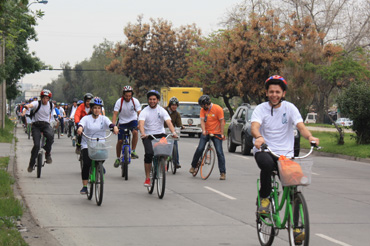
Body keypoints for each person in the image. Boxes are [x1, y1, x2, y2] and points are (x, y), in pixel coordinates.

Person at [251, 75, 320, 217]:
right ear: (266, 93)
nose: (274, 95)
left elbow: (301, 127)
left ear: (283, 94)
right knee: (267, 165)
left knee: (293, 188)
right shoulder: (260, 109)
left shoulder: (290, 108)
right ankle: (264, 199)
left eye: (277, 92)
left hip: (286, 154)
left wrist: (310, 137)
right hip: (265, 149)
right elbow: (254, 127)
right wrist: (258, 137)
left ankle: (296, 228)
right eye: (271, 92)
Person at [76, 97, 119, 194]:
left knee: (102, 156)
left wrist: (114, 127)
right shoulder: (86, 118)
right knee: (86, 163)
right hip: (87, 144)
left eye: (99, 108)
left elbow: (110, 124)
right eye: (95, 108)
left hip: (100, 144)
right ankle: (85, 186)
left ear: (101, 109)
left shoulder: (104, 119)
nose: (97, 110)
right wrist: (80, 128)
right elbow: (81, 124)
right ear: (91, 108)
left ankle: (99, 165)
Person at [138, 90, 178, 187]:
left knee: (165, 151)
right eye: (150, 99)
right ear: (148, 100)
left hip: (160, 134)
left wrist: (173, 132)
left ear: (158, 100)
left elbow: (169, 122)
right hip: (148, 136)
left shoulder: (162, 110)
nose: (152, 101)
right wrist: (143, 133)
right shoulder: (144, 111)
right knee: (149, 154)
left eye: (154, 99)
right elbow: (141, 124)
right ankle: (148, 178)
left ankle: (162, 162)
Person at [189, 95, 226, 180]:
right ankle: (193, 166)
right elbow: (202, 121)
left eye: (202, 105)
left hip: (216, 133)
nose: (201, 107)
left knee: (220, 152)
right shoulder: (202, 110)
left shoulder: (218, 109)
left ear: (206, 103)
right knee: (200, 148)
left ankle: (223, 172)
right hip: (206, 132)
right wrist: (203, 130)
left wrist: (222, 133)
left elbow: (221, 122)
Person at [22, 89, 55, 172]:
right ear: (41, 98)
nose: (45, 100)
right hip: (36, 126)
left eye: (47, 98)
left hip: (46, 125)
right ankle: (31, 163)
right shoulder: (37, 103)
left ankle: (48, 153)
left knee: (51, 136)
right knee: (36, 145)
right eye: (44, 98)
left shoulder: (51, 105)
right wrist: (27, 107)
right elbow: (31, 105)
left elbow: (52, 114)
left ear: (49, 99)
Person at [112, 85, 141, 168]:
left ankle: (133, 151)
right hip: (122, 122)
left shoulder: (135, 101)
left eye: (129, 96)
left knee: (135, 132)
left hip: (133, 121)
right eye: (126, 96)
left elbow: (139, 113)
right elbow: (115, 114)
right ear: (123, 95)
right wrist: (113, 126)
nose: (128, 97)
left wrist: (140, 124)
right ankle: (118, 158)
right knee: (120, 141)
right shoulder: (119, 102)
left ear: (132, 95)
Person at [164, 97, 183, 168]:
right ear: (170, 105)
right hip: (162, 131)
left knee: (175, 144)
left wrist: (181, 126)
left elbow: (179, 124)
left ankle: (176, 162)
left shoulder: (177, 114)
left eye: (175, 105)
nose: (174, 107)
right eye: (173, 105)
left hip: (171, 132)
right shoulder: (164, 111)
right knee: (162, 144)